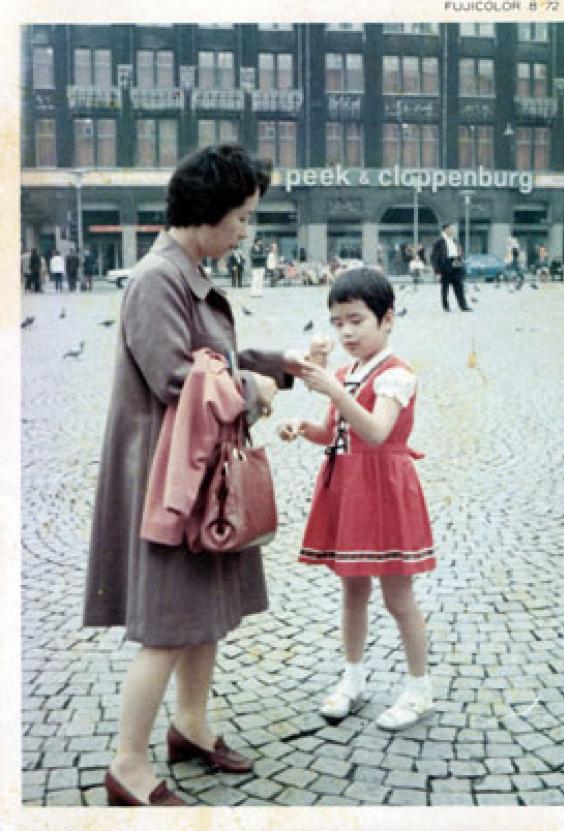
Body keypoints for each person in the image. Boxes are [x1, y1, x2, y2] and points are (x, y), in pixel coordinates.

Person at [83, 144, 306, 807]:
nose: (245, 231)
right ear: (206, 214)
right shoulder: (157, 278)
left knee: (203, 613)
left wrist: (284, 362)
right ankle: (128, 762)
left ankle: (191, 725)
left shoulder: (186, 271)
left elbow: (219, 356)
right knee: (168, 625)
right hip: (171, 484)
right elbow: (179, 377)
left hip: (198, 474)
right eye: (240, 218)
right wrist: (254, 386)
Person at [278, 268, 436, 731]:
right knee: (352, 588)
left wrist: (330, 389)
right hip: (349, 487)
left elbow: (375, 430)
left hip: (385, 489)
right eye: (337, 321)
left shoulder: (397, 374)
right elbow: (337, 431)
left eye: (356, 320)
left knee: (398, 595)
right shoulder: (346, 371)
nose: (345, 331)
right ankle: (353, 678)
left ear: (387, 320)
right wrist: (304, 429)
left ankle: (418, 687)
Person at [431, 222, 471, 312]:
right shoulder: (439, 242)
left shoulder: (455, 240)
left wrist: (460, 256)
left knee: (459, 286)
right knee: (445, 288)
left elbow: (459, 252)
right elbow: (434, 257)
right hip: (445, 265)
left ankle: (463, 306)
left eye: (452, 229)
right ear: (445, 230)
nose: (452, 230)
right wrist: (437, 270)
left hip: (456, 264)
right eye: (450, 229)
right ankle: (446, 306)